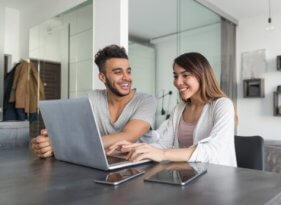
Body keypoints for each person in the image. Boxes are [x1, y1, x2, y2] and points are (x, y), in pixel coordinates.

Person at [108, 52, 237, 167]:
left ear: (202, 76)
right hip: (189, 177)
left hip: (218, 178)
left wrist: (163, 154)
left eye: (185, 75)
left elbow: (214, 149)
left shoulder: (222, 105)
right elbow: (163, 145)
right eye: (175, 76)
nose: (178, 82)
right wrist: (133, 147)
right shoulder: (179, 109)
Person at [31, 45, 156, 158]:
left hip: (141, 166)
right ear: (102, 77)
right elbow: (70, 129)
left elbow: (128, 136)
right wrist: (48, 140)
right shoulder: (93, 98)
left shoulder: (145, 101)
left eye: (128, 71)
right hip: (105, 162)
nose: (126, 77)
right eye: (118, 72)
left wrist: (62, 143)